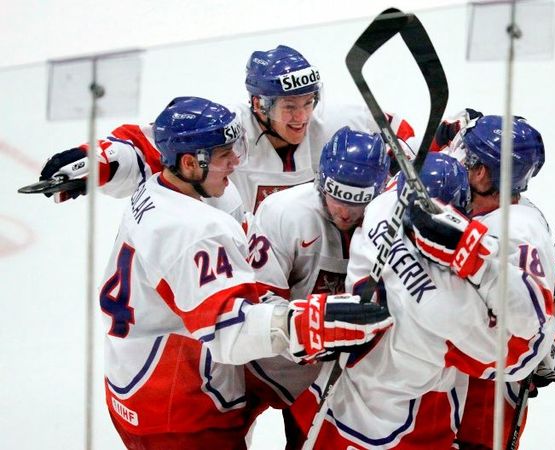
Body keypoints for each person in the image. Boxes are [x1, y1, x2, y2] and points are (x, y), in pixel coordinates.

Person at [99, 96, 393, 450]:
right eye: (225, 155)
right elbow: (230, 333)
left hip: (133, 378)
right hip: (179, 406)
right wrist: (314, 322)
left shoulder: (157, 190)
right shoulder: (197, 231)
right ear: (191, 163)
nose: (236, 161)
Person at [294, 117, 555, 448]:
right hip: (409, 416)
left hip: (341, 394)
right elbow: (521, 351)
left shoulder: (387, 202)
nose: (456, 153)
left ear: (481, 173)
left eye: (466, 152)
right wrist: (550, 330)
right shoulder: (449, 301)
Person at [38, 44, 415, 215]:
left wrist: (434, 144)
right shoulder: (228, 130)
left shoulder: (336, 121)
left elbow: (398, 128)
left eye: (307, 102)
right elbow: (155, 146)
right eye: (289, 106)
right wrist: (99, 161)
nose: (301, 115)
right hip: (250, 260)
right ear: (259, 105)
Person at [430, 113, 555, 450]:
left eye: (470, 159)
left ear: (485, 172)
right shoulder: (483, 202)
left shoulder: (516, 231)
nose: (463, 164)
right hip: (448, 377)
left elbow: (542, 302)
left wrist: (552, 337)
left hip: (486, 395)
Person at [243, 126, 391, 447]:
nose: (345, 212)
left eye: (358, 203)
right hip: (260, 364)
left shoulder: (389, 218)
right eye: (336, 196)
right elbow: (257, 308)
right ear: (320, 181)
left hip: (327, 379)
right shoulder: (283, 212)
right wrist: (318, 328)